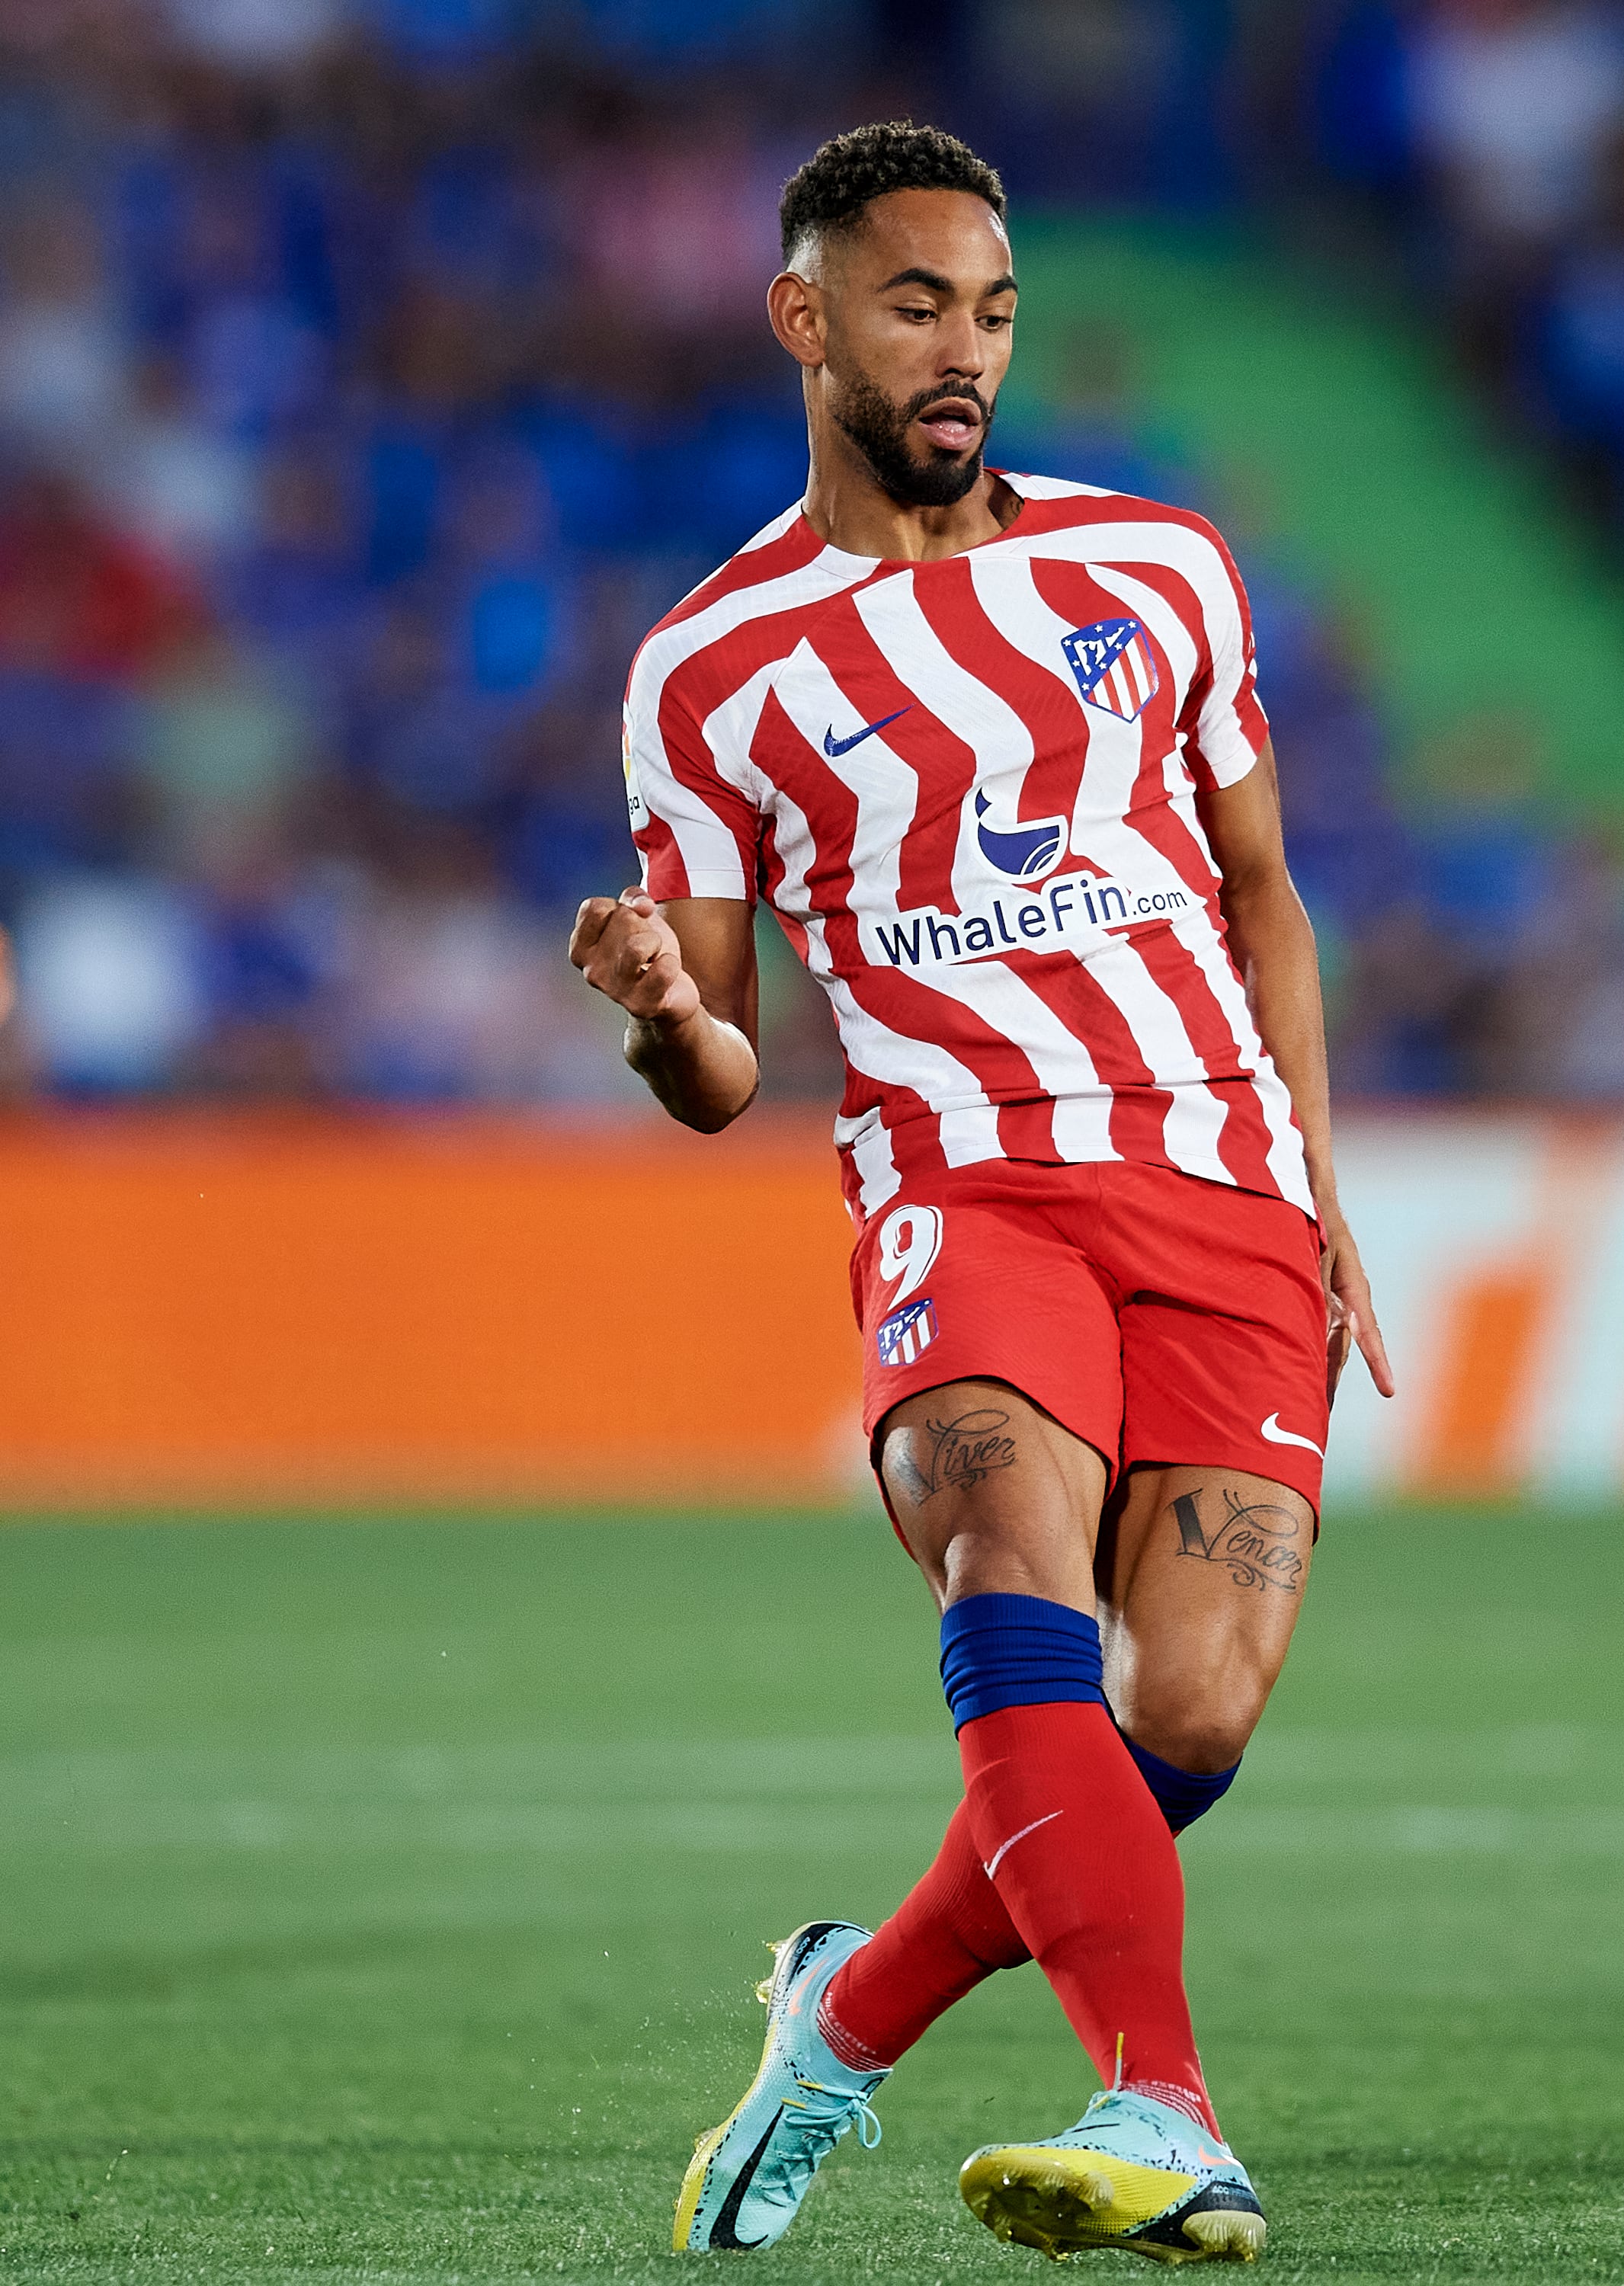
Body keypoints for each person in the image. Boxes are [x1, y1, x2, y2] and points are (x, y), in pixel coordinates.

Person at [568, 122, 1392, 2261]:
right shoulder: (713, 668)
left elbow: (1266, 894)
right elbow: (726, 1065)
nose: (965, 352)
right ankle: (1162, 2104)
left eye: (995, 312)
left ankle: (844, 2009)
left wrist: (1321, 1184)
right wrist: (664, 1012)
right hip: (963, 1185)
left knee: (1183, 1717)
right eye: (918, 304)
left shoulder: (1158, 571)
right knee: (999, 1550)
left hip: (1212, 1174)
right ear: (804, 317)